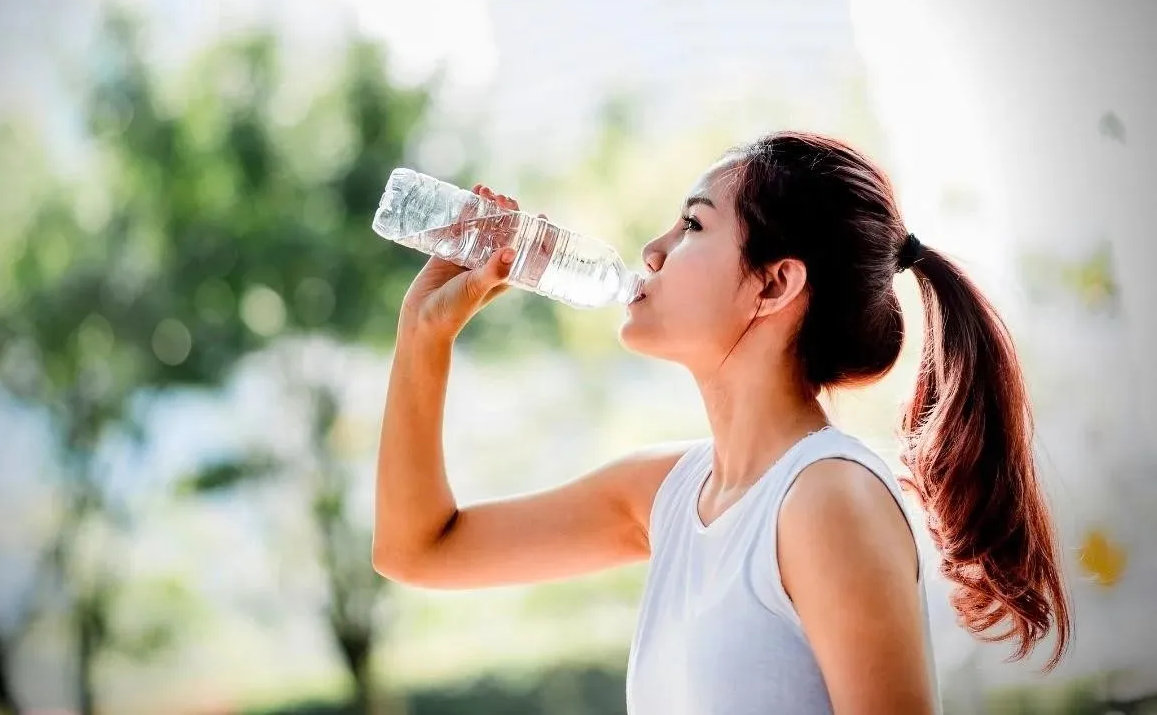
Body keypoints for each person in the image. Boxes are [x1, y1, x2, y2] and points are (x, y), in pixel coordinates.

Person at [372, 131, 1072, 714]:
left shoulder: (827, 501)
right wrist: (423, 334)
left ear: (774, 284)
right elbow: (418, 548)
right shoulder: (668, 493)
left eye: (693, 225)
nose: (651, 249)